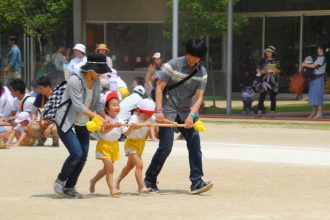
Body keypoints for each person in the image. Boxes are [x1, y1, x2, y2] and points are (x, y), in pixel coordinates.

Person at [144, 38, 213, 194]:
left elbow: (199, 97)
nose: (192, 59)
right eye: (190, 55)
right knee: (165, 147)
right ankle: (149, 180)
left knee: (194, 143)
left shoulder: (202, 73)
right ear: (186, 53)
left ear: (201, 58)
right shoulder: (172, 65)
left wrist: (192, 115)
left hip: (186, 110)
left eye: (195, 57)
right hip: (167, 108)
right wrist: (159, 110)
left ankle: (196, 181)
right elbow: (159, 88)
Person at [53, 53, 111, 198]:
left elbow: (97, 104)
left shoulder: (96, 81)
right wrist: (98, 117)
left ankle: (70, 186)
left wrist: (106, 118)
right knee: (76, 153)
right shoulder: (75, 79)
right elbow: (78, 106)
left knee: (83, 156)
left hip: (83, 122)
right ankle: (60, 180)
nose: (102, 74)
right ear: (90, 69)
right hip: (66, 121)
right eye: (99, 70)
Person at [115, 99, 175, 193]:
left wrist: (172, 123)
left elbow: (161, 120)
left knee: (129, 166)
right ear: (139, 111)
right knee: (139, 165)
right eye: (146, 114)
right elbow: (133, 128)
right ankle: (140, 187)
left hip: (140, 144)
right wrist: (143, 124)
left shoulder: (150, 118)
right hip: (131, 144)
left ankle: (117, 180)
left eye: (150, 114)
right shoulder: (134, 118)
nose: (149, 116)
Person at [89, 92, 125, 197]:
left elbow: (126, 133)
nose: (117, 107)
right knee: (110, 169)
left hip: (114, 146)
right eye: (113, 105)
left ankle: (93, 180)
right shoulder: (102, 119)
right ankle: (112, 190)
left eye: (118, 105)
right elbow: (102, 132)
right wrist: (112, 127)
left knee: (106, 170)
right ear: (106, 108)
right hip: (104, 146)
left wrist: (133, 127)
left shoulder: (120, 120)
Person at [28, 76, 59, 146]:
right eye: (38, 88)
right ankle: (42, 138)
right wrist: (32, 120)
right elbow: (34, 111)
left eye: (41, 88)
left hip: (56, 123)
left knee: (55, 129)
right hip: (44, 122)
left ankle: (55, 138)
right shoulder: (40, 96)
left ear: (48, 87)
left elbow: (61, 116)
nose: (39, 90)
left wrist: (50, 126)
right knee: (31, 127)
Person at [301, 45, 328, 118]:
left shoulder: (322, 58)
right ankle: (314, 112)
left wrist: (304, 64)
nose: (317, 50)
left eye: (319, 49)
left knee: (318, 95)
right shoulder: (318, 58)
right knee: (313, 96)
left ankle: (319, 112)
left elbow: (313, 66)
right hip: (314, 79)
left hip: (318, 79)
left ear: (322, 50)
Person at [256, 45, 281, 118]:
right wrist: (262, 71)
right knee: (262, 95)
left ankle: (272, 112)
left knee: (272, 96)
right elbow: (258, 70)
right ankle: (259, 111)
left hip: (273, 80)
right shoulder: (262, 60)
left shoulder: (276, 61)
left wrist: (272, 69)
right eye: (267, 51)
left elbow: (279, 70)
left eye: (269, 51)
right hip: (264, 80)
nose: (267, 53)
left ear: (272, 53)